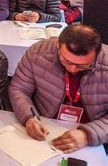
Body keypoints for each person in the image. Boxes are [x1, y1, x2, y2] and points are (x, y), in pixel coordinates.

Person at [9, 25, 107, 153]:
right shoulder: (38, 53)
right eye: (66, 61)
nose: (72, 69)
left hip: (92, 134)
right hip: (45, 125)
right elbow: (19, 88)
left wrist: (88, 135)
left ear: (97, 55)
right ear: (58, 47)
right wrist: (29, 117)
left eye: (82, 66)